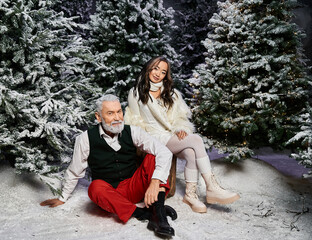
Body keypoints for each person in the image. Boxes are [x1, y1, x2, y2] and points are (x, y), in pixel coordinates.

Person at [40, 94, 177, 237]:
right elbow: (75, 171)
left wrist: (155, 182)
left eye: (119, 111)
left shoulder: (133, 131)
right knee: (95, 187)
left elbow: (164, 152)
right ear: (98, 117)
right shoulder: (85, 138)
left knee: (154, 157)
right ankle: (147, 213)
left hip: (134, 186)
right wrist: (62, 198)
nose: (117, 118)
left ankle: (159, 214)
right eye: (110, 113)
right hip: (111, 194)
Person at [124, 56, 240, 213]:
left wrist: (180, 128)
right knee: (197, 140)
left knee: (191, 151)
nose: (158, 74)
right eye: (156, 68)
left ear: (166, 75)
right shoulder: (135, 92)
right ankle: (211, 187)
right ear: (149, 68)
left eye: (163, 72)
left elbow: (180, 117)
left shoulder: (172, 93)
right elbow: (134, 122)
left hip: (170, 136)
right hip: (152, 138)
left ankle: (190, 195)